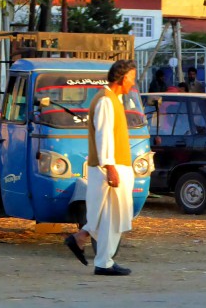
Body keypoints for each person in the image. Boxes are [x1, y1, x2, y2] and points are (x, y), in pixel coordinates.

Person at [64, 60, 139, 276]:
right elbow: (103, 135)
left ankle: (83, 241)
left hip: (113, 166)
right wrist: (110, 167)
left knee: (108, 215)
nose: (132, 84)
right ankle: (103, 261)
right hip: (110, 167)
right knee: (111, 216)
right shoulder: (106, 101)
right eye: (132, 79)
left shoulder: (112, 99)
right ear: (123, 78)